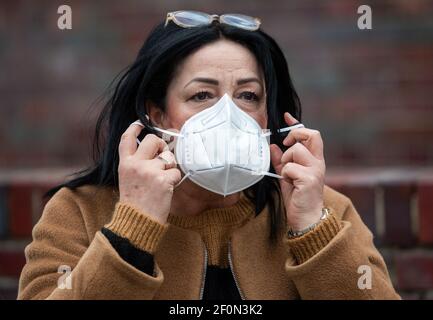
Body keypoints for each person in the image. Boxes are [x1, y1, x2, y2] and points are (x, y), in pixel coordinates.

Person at [18, 11, 400, 300]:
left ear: (269, 116)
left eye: (248, 96)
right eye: (202, 95)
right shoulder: (80, 211)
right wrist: (133, 227)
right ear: (156, 114)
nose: (228, 114)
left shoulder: (323, 210)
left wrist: (312, 229)